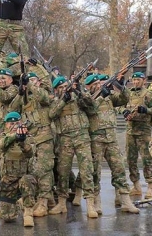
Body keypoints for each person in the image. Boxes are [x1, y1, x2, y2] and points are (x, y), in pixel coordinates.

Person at [86, 74, 140, 214]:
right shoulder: (85, 97)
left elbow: (124, 99)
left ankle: (125, 201)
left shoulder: (109, 97)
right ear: (88, 86)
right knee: (95, 172)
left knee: (119, 169)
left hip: (111, 139)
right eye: (95, 84)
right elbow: (89, 109)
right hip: (96, 139)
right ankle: (96, 202)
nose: (99, 86)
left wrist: (121, 87)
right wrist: (100, 97)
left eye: (99, 83)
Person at [48, 76, 97, 218]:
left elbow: (92, 107)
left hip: (82, 136)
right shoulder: (55, 101)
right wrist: (63, 100)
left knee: (87, 170)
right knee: (63, 172)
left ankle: (90, 204)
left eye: (65, 86)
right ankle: (62, 203)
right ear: (56, 90)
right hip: (65, 139)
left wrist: (79, 91)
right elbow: (51, 114)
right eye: (61, 88)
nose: (64, 89)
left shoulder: (78, 99)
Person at [8, 72, 54, 217]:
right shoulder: (24, 97)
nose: (29, 83)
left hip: (44, 138)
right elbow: (12, 109)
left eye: (33, 80)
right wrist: (20, 94)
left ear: (39, 82)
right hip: (30, 139)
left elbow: (45, 99)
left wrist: (30, 85)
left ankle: (43, 203)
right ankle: (43, 198)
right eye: (28, 81)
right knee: (32, 171)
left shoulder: (42, 93)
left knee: (44, 170)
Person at [117, 71, 152, 200]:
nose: (136, 82)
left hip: (144, 131)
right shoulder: (128, 93)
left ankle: (150, 187)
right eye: (134, 80)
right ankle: (136, 186)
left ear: (144, 80)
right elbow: (119, 105)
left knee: (147, 159)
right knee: (131, 159)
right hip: (130, 130)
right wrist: (124, 111)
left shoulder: (149, 94)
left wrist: (145, 110)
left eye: (138, 80)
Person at [0, 112, 37, 227]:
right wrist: (15, 136)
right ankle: (19, 203)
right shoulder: (3, 136)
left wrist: (22, 141)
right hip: (9, 181)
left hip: (25, 179)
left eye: (16, 123)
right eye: (11, 123)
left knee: (26, 180)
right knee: (7, 217)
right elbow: (1, 145)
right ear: (6, 125)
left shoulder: (28, 137)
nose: (14, 126)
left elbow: (30, 153)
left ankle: (28, 213)